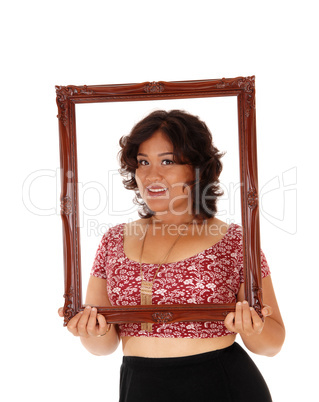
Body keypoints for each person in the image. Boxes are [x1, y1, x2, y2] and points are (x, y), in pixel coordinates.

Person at [58, 110, 285, 402]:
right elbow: (105, 345)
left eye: (167, 161)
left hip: (221, 386)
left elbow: (273, 343)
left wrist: (252, 328)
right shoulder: (113, 240)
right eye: (143, 162)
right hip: (139, 387)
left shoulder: (235, 242)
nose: (151, 174)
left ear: (197, 168)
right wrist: (91, 332)